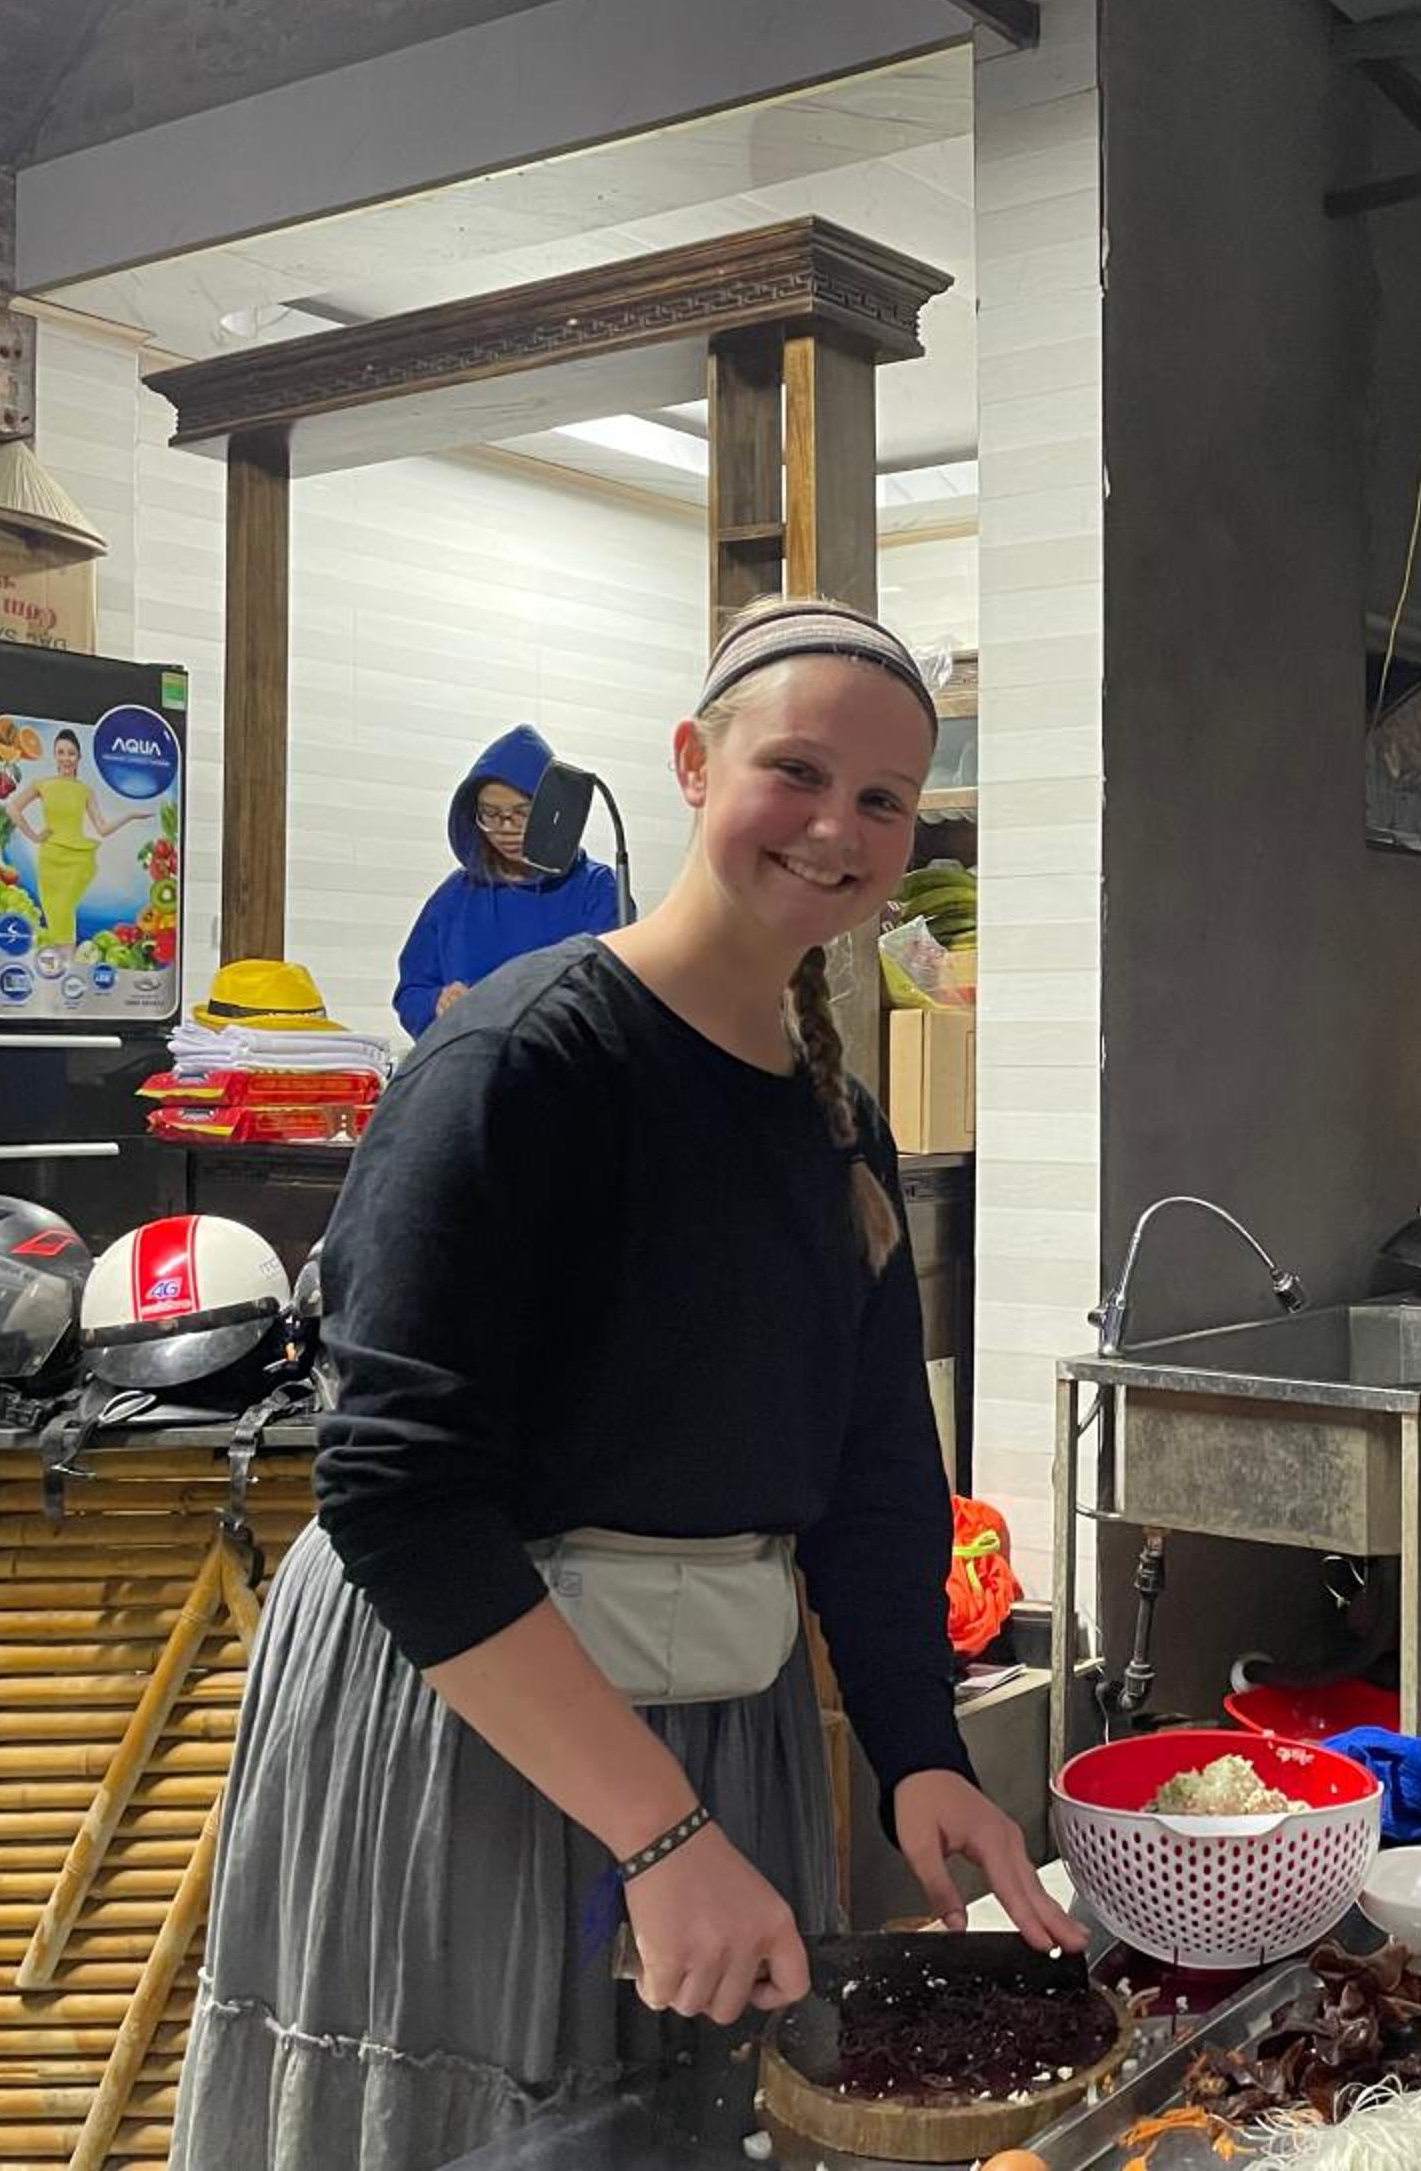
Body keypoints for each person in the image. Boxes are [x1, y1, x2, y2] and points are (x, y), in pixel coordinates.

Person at [170, 597, 1079, 2171]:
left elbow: (875, 1477)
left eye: (883, 799)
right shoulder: (519, 1065)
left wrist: (921, 1749)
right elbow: (399, 1494)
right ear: (690, 762)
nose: (838, 828)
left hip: (723, 1717)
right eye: (797, 771)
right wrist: (658, 1829)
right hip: (486, 1722)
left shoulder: (832, 1120)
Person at [392, 724, 623, 1040]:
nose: (505, 827)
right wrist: (438, 1003)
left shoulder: (595, 888)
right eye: (490, 814)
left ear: (551, 811)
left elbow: (610, 993)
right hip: (472, 1061)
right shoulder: (455, 897)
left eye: (521, 813)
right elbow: (411, 991)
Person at [7, 726, 153, 949]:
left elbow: (102, 829)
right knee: (55, 912)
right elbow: (12, 808)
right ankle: (62, 962)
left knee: (64, 908)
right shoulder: (42, 784)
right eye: (61, 752)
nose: (66, 758)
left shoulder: (85, 791)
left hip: (78, 859)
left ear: (79, 757)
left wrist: (129, 816)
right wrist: (34, 836)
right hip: (50, 858)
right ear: (55, 755)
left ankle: (65, 958)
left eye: (71, 753)